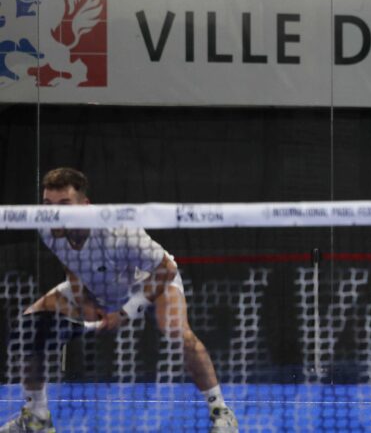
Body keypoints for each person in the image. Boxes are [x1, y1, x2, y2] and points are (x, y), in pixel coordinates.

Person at [0, 167, 239, 432]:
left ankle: (220, 410)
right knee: (28, 328)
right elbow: (71, 264)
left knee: (177, 331)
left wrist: (125, 312)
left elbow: (166, 269)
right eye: (48, 205)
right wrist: (84, 301)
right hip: (96, 286)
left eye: (64, 205)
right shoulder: (46, 227)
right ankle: (37, 417)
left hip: (147, 280)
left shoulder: (119, 231)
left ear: (84, 206)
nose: (54, 213)